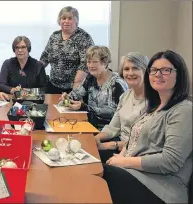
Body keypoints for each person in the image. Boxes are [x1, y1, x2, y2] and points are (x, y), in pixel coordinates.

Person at [103, 50, 192, 204]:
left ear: (180, 75)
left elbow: (170, 161)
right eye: (154, 70)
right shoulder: (154, 107)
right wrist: (121, 156)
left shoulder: (183, 110)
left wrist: (124, 162)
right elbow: (133, 139)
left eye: (166, 70)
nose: (158, 74)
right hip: (136, 172)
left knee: (97, 176)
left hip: (162, 187)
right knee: (90, 167)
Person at [94, 52, 149, 163]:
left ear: (145, 71)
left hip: (135, 152)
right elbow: (113, 127)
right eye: (126, 69)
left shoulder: (154, 100)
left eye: (135, 68)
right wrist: (97, 138)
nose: (130, 73)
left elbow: (146, 141)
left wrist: (112, 145)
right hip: (118, 143)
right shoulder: (125, 96)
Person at [60, 46, 128, 130]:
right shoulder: (90, 78)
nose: (91, 65)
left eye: (95, 62)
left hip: (109, 130)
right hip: (90, 125)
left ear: (105, 63)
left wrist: (84, 107)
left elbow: (113, 112)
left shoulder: (117, 83)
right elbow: (77, 93)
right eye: (89, 62)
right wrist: (67, 97)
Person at [40, 6, 95, 94]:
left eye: (70, 18)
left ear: (76, 20)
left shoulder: (84, 37)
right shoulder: (54, 36)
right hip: (53, 85)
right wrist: (32, 71)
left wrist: (75, 92)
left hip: (75, 87)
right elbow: (45, 57)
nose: (66, 21)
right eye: (63, 18)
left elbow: (85, 64)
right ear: (59, 20)